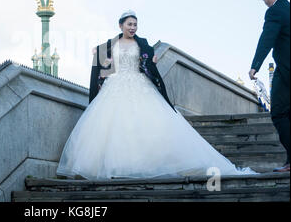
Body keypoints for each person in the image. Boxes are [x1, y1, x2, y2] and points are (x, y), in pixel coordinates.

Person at [56, 10, 257, 180]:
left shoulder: (142, 43)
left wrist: (151, 58)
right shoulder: (109, 45)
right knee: (115, 127)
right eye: (129, 24)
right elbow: (104, 64)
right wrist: (98, 57)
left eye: (135, 24)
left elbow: (148, 62)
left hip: (140, 84)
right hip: (115, 85)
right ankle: (119, 167)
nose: (133, 27)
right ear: (120, 26)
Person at [249, 0, 290, 173]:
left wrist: (255, 65)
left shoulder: (275, 12)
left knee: (279, 113)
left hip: (286, 70)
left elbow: (267, 39)